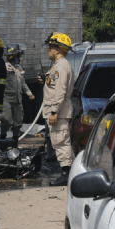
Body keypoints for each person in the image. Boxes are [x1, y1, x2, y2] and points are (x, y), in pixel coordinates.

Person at [41, 32, 75, 187]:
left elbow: (60, 92)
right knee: (59, 142)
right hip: (58, 110)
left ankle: (67, 174)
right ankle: (67, 172)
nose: (48, 50)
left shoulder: (61, 67)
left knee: (61, 142)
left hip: (59, 112)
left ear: (58, 50)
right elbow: (55, 86)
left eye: (51, 47)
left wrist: (54, 112)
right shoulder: (58, 66)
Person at [0, 44, 35, 141]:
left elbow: (22, 83)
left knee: (18, 122)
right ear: (13, 56)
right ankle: (2, 137)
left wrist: (29, 93)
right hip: (6, 98)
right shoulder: (4, 67)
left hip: (18, 99)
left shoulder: (18, 68)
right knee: (6, 120)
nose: (20, 58)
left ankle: (15, 140)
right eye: (19, 56)